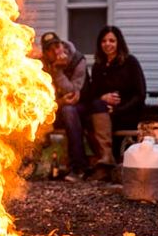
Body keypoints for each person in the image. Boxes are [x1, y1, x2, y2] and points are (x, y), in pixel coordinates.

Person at [40, 32, 113, 181]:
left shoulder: (77, 60)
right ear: (45, 53)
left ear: (62, 45)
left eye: (57, 46)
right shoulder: (40, 65)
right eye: (50, 49)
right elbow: (39, 98)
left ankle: (78, 167)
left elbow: (72, 92)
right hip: (52, 109)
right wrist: (60, 102)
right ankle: (25, 165)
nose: (55, 51)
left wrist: (58, 71)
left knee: (69, 110)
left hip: (79, 108)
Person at [89, 25, 146, 162]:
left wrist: (118, 110)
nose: (107, 44)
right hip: (104, 113)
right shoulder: (98, 66)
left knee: (97, 119)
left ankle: (106, 158)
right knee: (89, 117)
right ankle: (104, 158)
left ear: (119, 42)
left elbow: (140, 94)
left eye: (112, 41)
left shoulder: (130, 62)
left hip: (127, 111)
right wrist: (103, 97)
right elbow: (92, 94)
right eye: (104, 41)